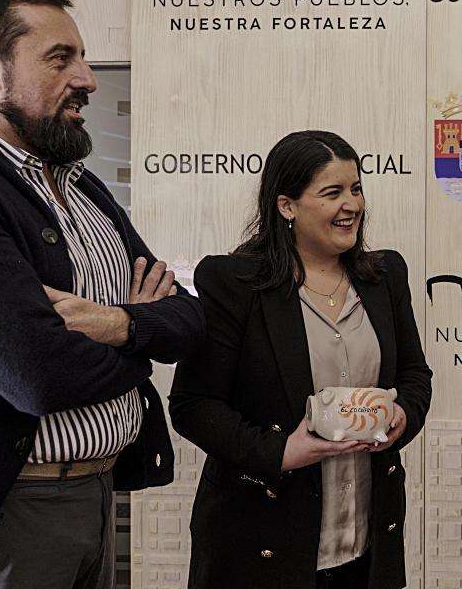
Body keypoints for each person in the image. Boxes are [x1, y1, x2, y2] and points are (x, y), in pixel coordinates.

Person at [0, 0, 204, 588]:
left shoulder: (83, 187)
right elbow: (37, 373)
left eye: (83, 57)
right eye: (61, 58)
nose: (87, 78)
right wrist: (145, 344)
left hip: (99, 493)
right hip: (12, 513)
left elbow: (188, 318)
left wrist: (117, 324)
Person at [170, 130, 431, 589]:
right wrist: (280, 451)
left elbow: (414, 375)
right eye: (332, 193)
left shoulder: (385, 276)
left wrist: (402, 414)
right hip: (261, 542)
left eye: (356, 188)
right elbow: (194, 406)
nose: (351, 204)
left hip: (366, 545)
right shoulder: (234, 282)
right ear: (286, 205)